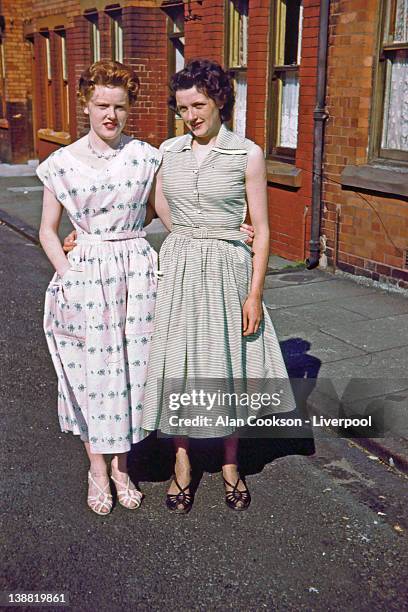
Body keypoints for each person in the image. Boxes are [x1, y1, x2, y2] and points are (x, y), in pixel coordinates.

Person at [141, 59, 296, 513]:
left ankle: (231, 463)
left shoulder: (245, 153)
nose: (191, 115)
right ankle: (182, 462)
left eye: (199, 104)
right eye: (183, 107)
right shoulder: (166, 152)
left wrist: (255, 293)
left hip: (229, 271)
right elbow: (154, 209)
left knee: (227, 362)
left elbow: (262, 229)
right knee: (180, 362)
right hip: (181, 266)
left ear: (220, 101)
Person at [37, 61, 162, 515]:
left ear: (130, 109)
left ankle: (122, 468)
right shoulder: (61, 164)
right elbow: (48, 230)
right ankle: (96, 469)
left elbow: (162, 214)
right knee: (93, 375)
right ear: (86, 105)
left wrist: (226, 229)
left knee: (130, 373)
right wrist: (68, 271)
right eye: (102, 105)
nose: (111, 115)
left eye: (120, 107)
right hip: (86, 277)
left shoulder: (147, 157)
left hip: (136, 276)